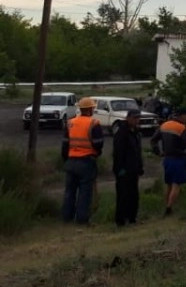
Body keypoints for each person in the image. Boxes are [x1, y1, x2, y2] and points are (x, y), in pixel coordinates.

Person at [61, 97, 104, 226]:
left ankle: (66, 217)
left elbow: (65, 144)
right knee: (85, 193)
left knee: (69, 192)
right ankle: (82, 219)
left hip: (71, 161)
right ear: (91, 109)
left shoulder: (70, 123)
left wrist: (66, 159)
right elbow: (98, 144)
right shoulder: (94, 123)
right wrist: (96, 155)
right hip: (86, 161)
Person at [151, 109, 186, 216]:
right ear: (182, 116)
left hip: (167, 159)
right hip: (179, 158)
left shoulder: (164, 125)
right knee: (176, 184)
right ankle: (169, 208)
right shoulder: (182, 128)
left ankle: (168, 206)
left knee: (169, 184)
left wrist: (157, 151)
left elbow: (153, 140)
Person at [112, 109, 145, 227]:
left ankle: (132, 218)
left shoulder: (136, 132)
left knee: (134, 195)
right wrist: (119, 169)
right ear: (128, 118)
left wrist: (140, 166)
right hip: (123, 170)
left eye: (138, 118)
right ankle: (120, 221)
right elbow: (117, 153)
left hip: (134, 169)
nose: (137, 120)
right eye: (135, 118)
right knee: (123, 196)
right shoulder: (121, 132)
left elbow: (137, 152)